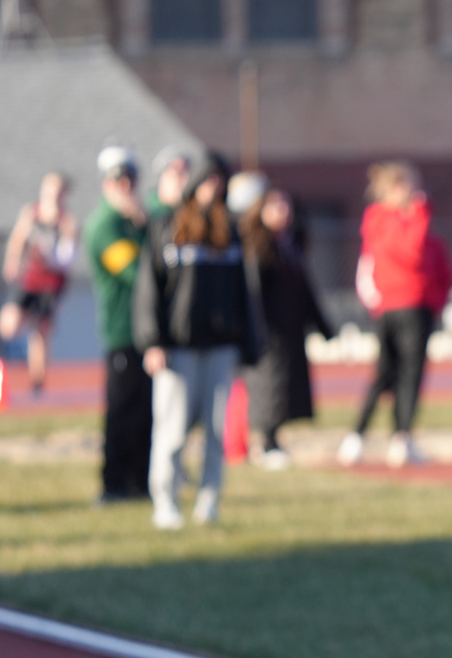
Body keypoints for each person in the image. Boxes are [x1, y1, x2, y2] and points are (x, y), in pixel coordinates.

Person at [133, 154, 263, 530]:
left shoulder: (231, 232)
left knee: (216, 430)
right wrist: (152, 341)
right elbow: (149, 290)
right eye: (208, 180)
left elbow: (243, 292)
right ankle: (166, 500)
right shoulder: (166, 227)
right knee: (172, 431)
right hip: (178, 347)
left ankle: (209, 502)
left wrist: (249, 344)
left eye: (220, 181)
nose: (214, 188)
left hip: (220, 346)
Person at [338, 162, 452, 469]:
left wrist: (438, 299)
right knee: (384, 373)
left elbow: (442, 266)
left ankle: (402, 437)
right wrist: (419, 214)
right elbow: (410, 252)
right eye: (409, 186)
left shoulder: (418, 224)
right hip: (395, 306)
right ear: (392, 189)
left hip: (421, 305)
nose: (416, 193)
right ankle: (357, 434)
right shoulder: (382, 221)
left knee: (411, 375)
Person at [232, 173, 332, 469]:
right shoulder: (256, 247)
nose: (282, 212)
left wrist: (323, 326)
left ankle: (275, 440)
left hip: (289, 330)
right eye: (274, 206)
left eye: (285, 206)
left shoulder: (290, 246)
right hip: (266, 332)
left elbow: (305, 291)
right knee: (266, 387)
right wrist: (257, 330)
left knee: (285, 388)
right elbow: (253, 293)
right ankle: (265, 442)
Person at [82, 146, 153, 503]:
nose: (126, 185)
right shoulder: (105, 225)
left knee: (147, 412)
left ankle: (141, 482)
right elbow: (136, 271)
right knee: (123, 411)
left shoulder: (138, 220)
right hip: (123, 330)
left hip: (147, 331)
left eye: (130, 178)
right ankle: (113, 485)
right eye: (118, 179)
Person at [0, 171, 78, 397]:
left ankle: (37, 385)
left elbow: (68, 258)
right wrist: (12, 261)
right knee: (9, 325)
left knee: (41, 332)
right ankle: (20, 351)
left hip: (51, 284)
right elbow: (17, 239)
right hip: (29, 280)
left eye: (57, 191)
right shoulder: (30, 214)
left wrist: (54, 254)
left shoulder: (66, 221)